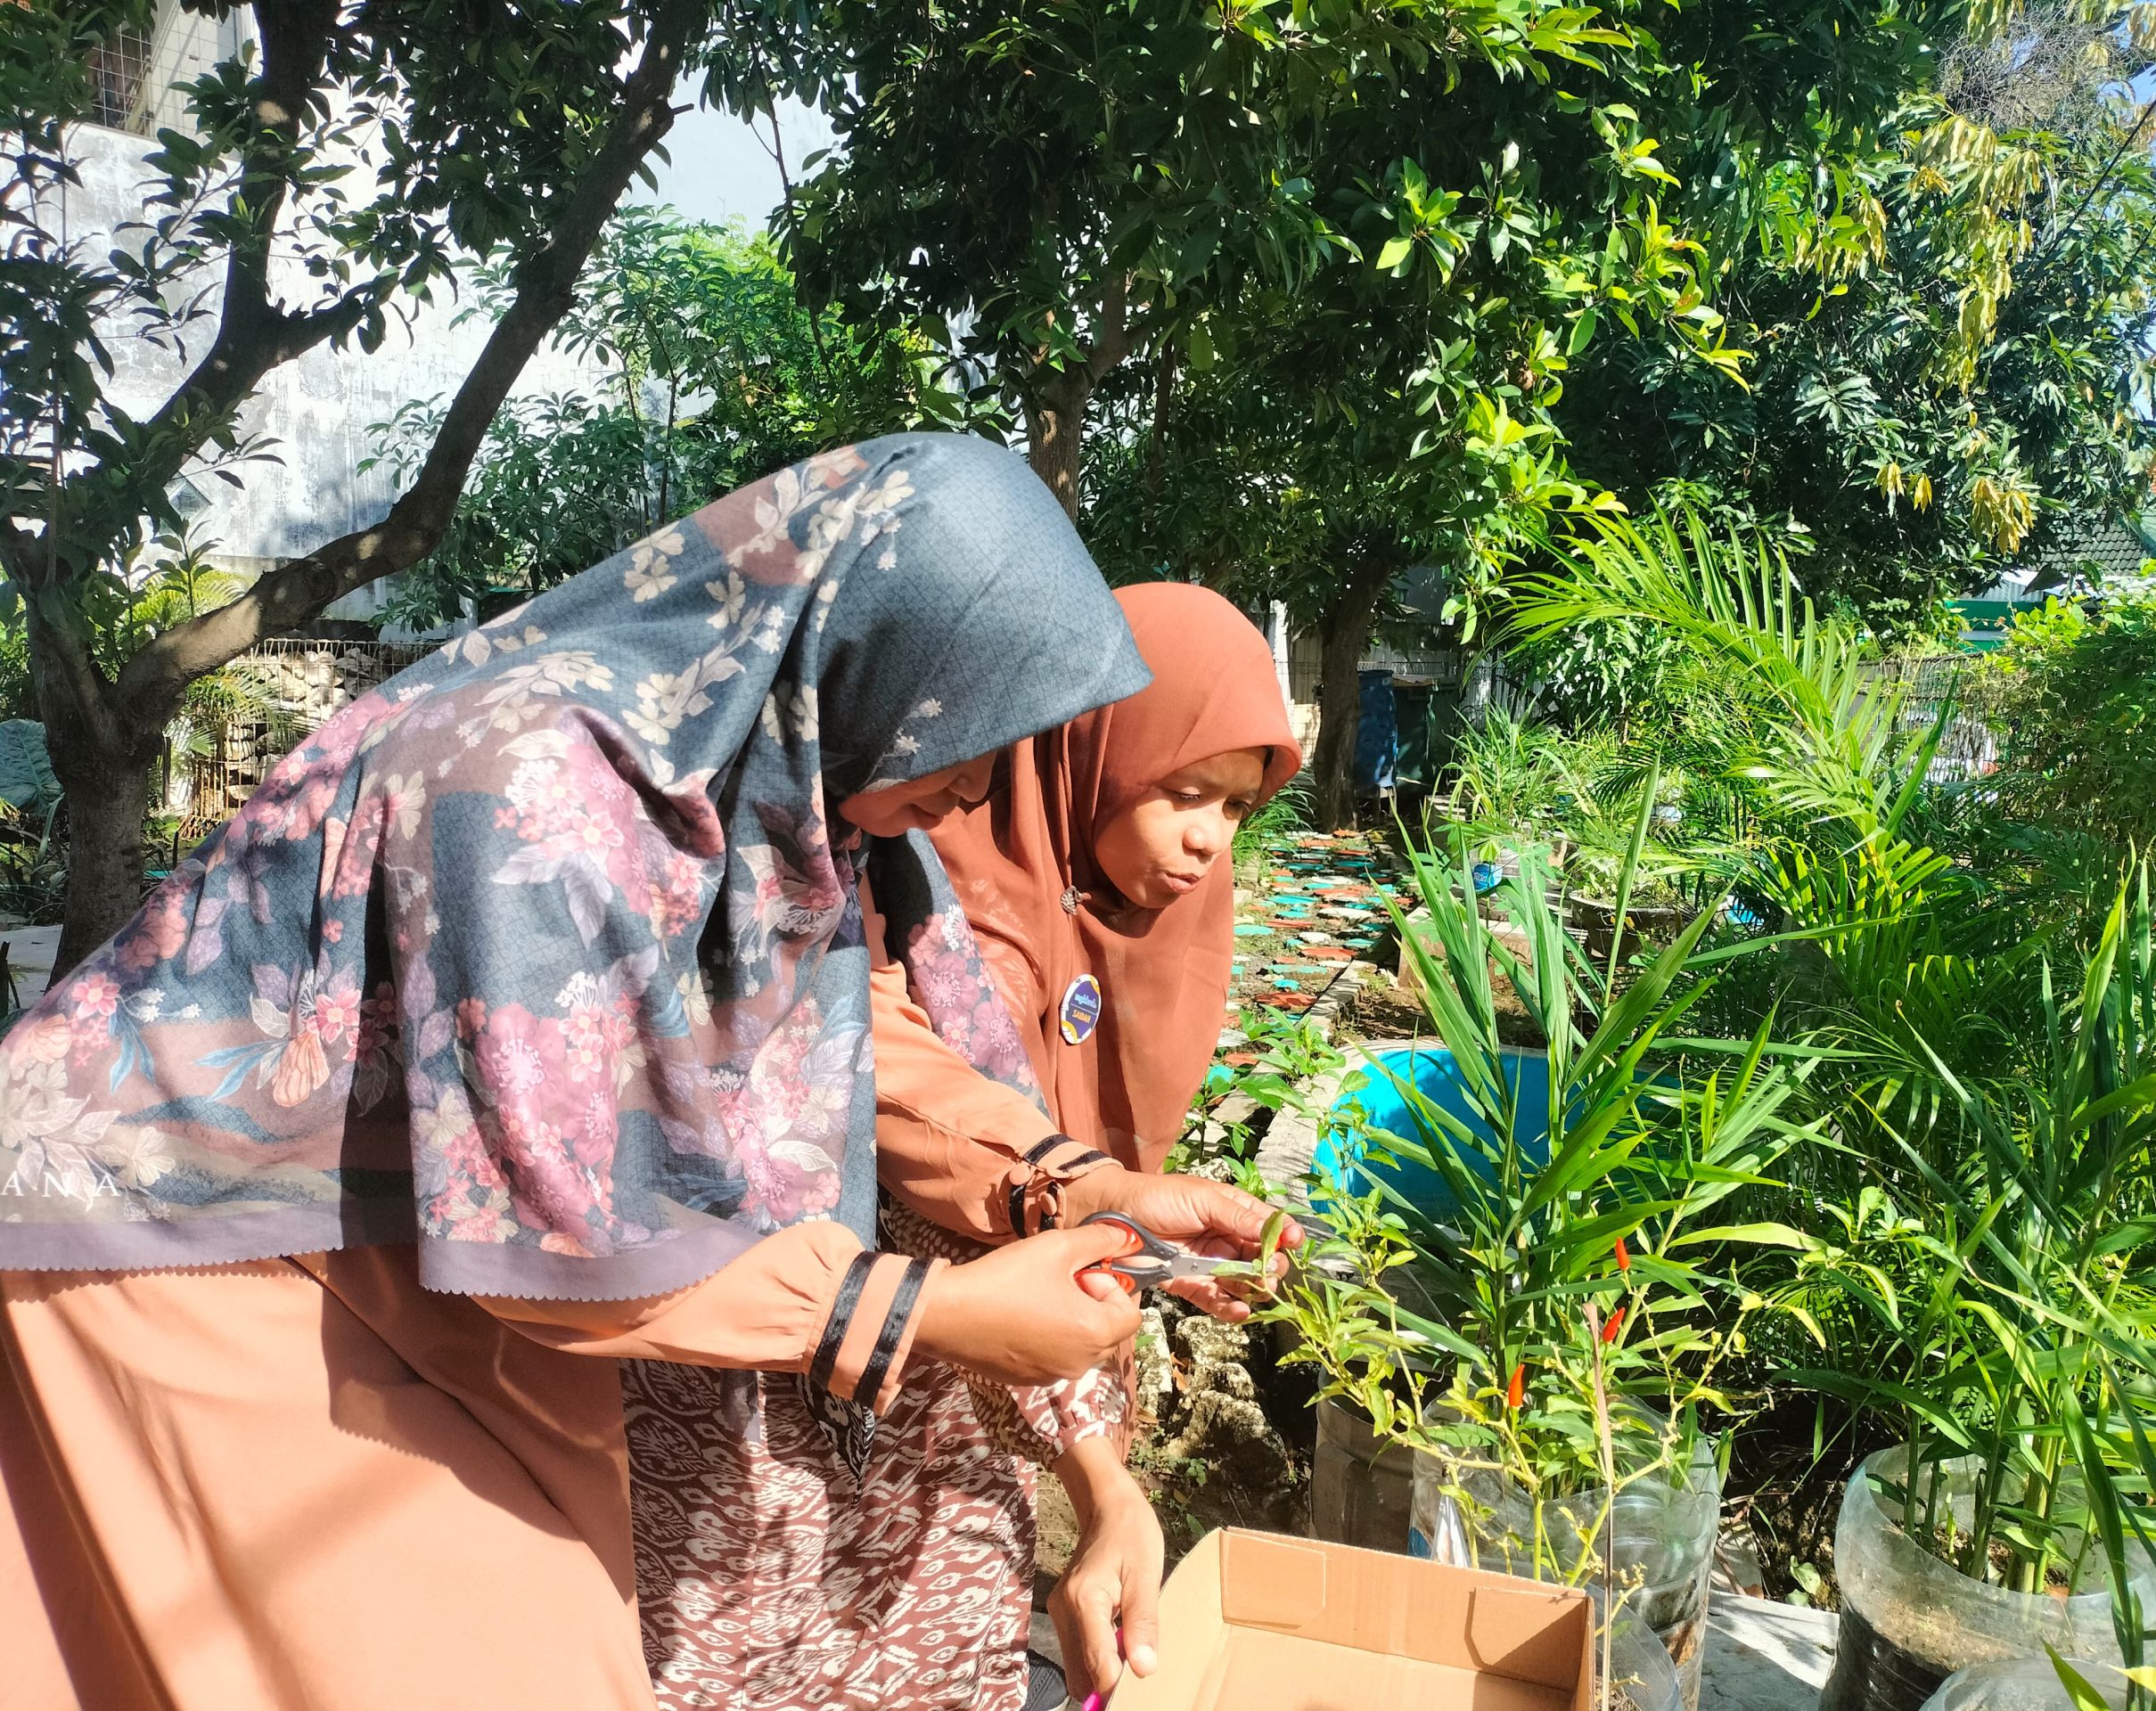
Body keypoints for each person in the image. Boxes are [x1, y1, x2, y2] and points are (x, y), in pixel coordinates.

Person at [0, 434, 1172, 1711]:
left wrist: (1074, 1182)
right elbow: (563, 1227)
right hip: (179, 1236)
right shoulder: (524, 784)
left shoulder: (782, 800)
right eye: (967, 729)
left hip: (387, 1233)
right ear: (869, 649)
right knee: (451, 1657)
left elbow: (842, 1047)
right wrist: (920, 1316)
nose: (982, 788)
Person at [627, 583, 1302, 1710]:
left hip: (971, 1398)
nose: (1208, 841)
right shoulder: (895, 884)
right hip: (757, 1404)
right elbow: (881, 1102)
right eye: (1184, 792)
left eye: (1239, 806)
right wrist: (1096, 1463)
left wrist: (1109, 1224)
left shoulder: (970, 876)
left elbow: (1011, 1177)